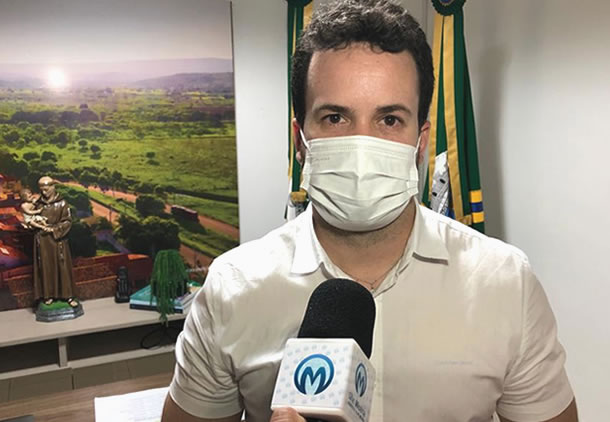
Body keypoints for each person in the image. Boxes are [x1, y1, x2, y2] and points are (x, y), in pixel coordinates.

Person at [162, 1, 577, 421]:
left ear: (420, 142)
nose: (362, 146)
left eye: (390, 120)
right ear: (300, 141)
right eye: (335, 117)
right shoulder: (232, 289)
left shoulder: (505, 283)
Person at [32, 176, 78, 308]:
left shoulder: (62, 203)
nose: (44, 192)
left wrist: (54, 230)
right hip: (43, 240)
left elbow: (67, 221)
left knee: (62, 267)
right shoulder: (38, 204)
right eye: (42, 189)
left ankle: (68, 295)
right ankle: (48, 295)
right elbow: (32, 218)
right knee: (46, 267)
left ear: (53, 187)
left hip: (58, 240)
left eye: (46, 189)